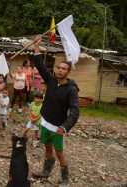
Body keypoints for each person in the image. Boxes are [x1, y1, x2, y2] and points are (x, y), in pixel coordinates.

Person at [31, 36, 79, 186]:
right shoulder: (51, 81)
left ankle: (65, 179)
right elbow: (40, 65)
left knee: (59, 153)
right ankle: (46, 171)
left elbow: (75, 111)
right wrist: (37, 46)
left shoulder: (71, 90)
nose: (60, 70)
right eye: (58, 68)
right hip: (45, 122)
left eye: (63, 69)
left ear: (68, 72)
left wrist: (65, 127)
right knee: (46, 147)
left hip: (58, 127)